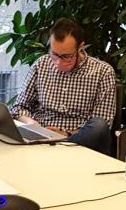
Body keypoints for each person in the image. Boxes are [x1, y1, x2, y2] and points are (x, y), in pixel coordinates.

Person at [12, 18, 117, 153]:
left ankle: (63, 146)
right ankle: (50, 146)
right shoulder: (41, 64)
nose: (58, 63)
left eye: (66, 56)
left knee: (99, 126)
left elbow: (103, 122)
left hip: (78, 140)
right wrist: (31, 123)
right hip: (41, 134)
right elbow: (19, 107)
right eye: (54, 54)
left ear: (80, 47)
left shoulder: (103, 71)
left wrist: (66, 134)